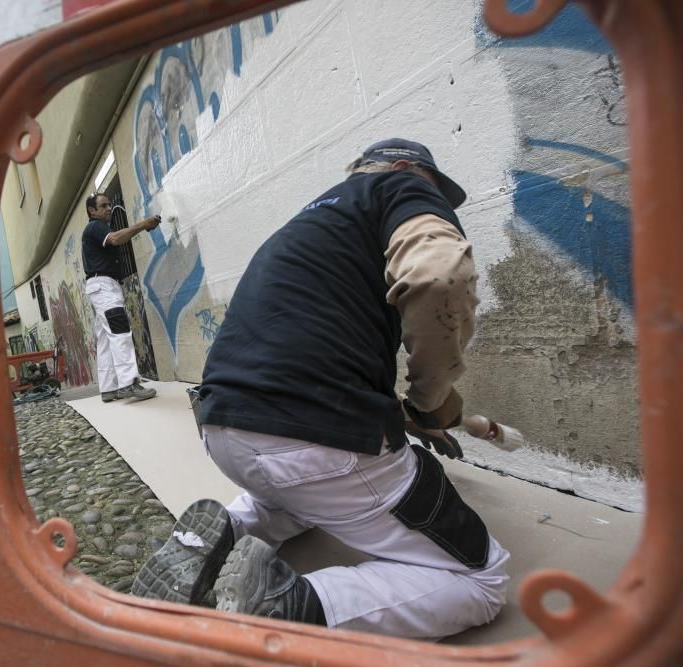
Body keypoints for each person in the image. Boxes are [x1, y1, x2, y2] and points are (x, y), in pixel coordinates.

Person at [131, 139, 510, 640]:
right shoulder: (398, 186)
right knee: (483, 578)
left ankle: (222, 533)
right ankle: (295, 606)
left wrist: (405, 416)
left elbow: (309, 359)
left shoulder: (312, 227)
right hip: (313, 444)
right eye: (435, 190)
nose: (436, 201)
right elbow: (441, 277)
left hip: (224, 428)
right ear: (401, 168)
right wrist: (431, 401)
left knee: (295, 497)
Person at [82, 192, 160, 403]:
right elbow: (116, 238)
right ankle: (128, 384)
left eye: (110, 205)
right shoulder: (95, 226)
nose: (109, 208)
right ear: (92, 211)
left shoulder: (96, 229)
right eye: (104, 205)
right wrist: (143, 224)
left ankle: (109, 388)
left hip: (100, 286)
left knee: (107, 339)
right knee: (120, 333)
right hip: (104, 287)